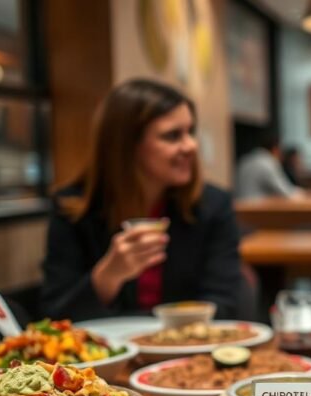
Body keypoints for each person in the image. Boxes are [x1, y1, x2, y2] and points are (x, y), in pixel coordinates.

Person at [42, 78, 245, 321]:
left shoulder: (212, 205)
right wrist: (108, 276)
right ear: (126, 145)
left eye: (190, 132)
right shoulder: (73, 208)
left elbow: (224, 304)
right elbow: (56, 317)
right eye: (172, 136)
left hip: (190, 352)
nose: (191, 145)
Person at [235, 130, 301, 199]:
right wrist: (303, 193)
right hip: (256, 207)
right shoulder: (268, 162)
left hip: (238, 206)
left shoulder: (245, 159)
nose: (282, 154)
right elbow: (285, 191)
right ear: (275, 149)